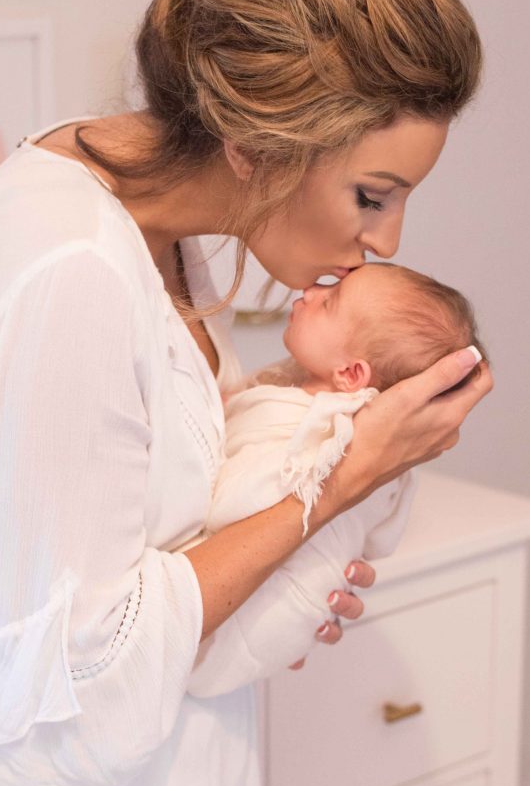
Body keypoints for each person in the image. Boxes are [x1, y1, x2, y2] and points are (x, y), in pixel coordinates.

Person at [0, 0, 492, 786]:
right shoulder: (69, 274)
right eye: (372, 195)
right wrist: (340, 483)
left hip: (165, 780)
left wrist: (271, 574)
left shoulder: (139, 207)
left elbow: (150, 534)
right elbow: (69, 688)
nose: (389, 242)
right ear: (257, 145)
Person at [181, 262, 486, 696]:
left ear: (351, 374)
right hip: (247, 615)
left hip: (250, 617)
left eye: (331, 300)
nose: (311, 289)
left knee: (196, 668)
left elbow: (226, 502)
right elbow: (381, 538)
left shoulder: (319, 435)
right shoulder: (348, 428)